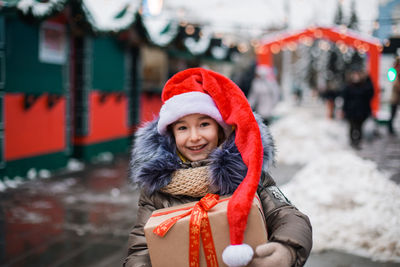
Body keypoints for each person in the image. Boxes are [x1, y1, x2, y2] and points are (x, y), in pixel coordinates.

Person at [124, 68, 312, 267]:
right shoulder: (156, 189)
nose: (194, 136)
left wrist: (286, 250)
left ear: (221, 130)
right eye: (182, 128)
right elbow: (140, 248)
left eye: (204, 124)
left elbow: (289, 216)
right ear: (171, 135)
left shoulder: (248, 174)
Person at [342, 69, 374, 149]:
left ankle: (358, 141)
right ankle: (352, 141)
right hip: (351, 110)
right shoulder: (348, 86)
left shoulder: (364, 86)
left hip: (361, 111)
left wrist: (368, 79)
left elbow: (370, 93)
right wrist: (344, 110)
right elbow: (345, 99)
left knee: (359, 127)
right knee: (352, 127)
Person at [388, 57, 400, 135]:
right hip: (395, 95)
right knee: (393, 113)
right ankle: (390, 128)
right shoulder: (393, 69)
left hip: (396, 95)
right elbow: (392, 81)